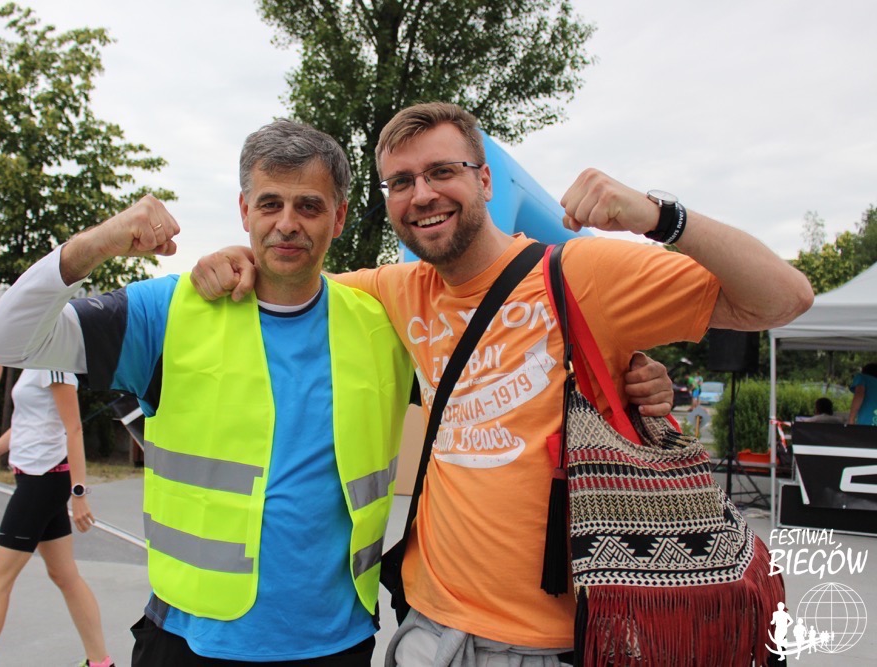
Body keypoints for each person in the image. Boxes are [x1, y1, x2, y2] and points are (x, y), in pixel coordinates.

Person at [0, 119, 672, 666]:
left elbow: (506, 367)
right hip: (189, 640)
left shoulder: (383, 320)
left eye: (308, 206)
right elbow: (7, 340)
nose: (288, 222)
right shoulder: (170, 310)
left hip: (336, 645)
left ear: (338, 218)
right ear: (244, 210)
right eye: (270, 203)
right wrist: (98, 243)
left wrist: (627, 377)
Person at [191, 103, 814, 665]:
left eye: (442, 171)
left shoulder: (584, 273)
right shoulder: (394, 290)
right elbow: (293, 282)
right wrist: (231, 259)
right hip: (426, 629)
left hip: (548, 642)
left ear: (485, 180)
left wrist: (661, 216)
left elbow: (782, 298)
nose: (422, 194)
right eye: (401, 182)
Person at [0, 368, 114, 667]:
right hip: (34, 478)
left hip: (43, 480)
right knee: (64, 575)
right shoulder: (34, 360)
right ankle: (100, 662)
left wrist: (79, 493)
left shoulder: (55, 362)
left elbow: (74, 429)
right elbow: (24, 426)